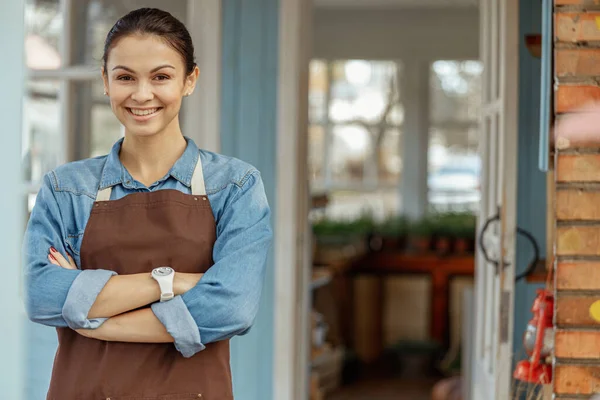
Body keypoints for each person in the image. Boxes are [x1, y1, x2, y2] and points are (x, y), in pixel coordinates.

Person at [22, 7, 272, 399]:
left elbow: (231, 307)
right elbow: (41, 295)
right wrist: (168, 282)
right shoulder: (66, 189)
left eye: (161, 77)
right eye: (125, 77)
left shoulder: (235, 186)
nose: (142, 94)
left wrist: (95, 320)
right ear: (105, 81)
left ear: (190, 80)